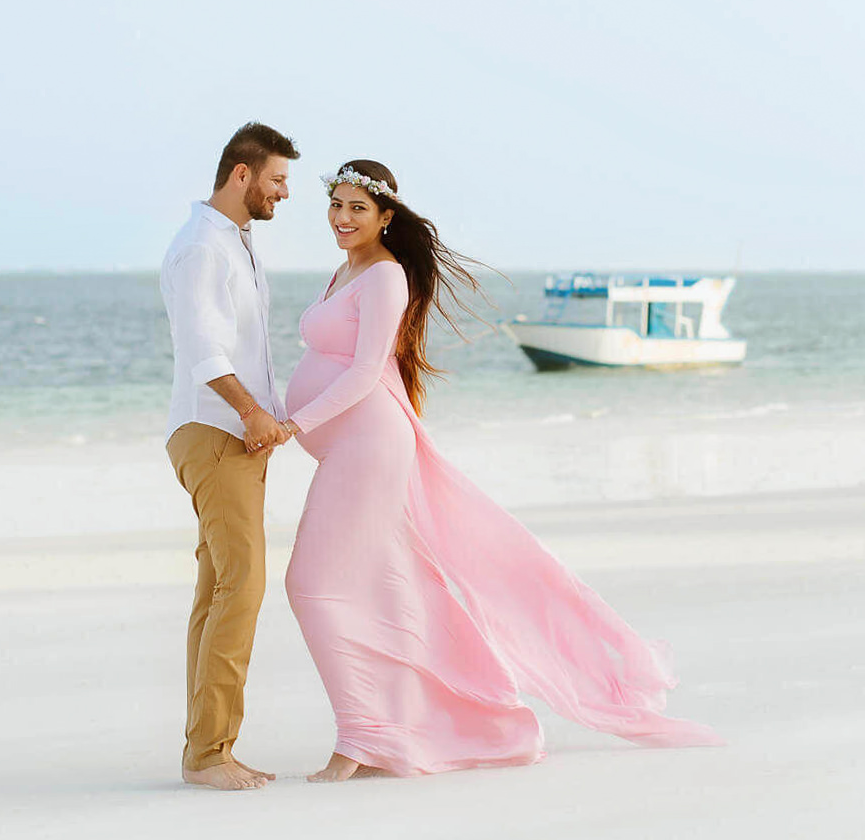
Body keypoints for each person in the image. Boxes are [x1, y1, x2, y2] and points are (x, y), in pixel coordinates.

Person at [281, 160, 723, 781]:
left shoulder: (384, 277)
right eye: (337, 205)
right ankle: (443, 726)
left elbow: (361, 373)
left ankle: (360, 737)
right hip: (349, 446)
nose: (343, 218)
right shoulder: (344, 272)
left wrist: (289, 426)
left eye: (358, 208)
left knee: (311, 585)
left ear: (386, 217)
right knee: (388, 590)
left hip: (369, 445)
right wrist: (262, 411)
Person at [161, 122, 299, 791]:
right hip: (215, 432)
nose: (286, 193)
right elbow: (203, 349)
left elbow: (246, 349)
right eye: (277, 180)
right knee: (240, 586)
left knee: (217, 588)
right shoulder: (200, 249)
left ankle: (205, 746)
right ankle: (209, 753)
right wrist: (251, 412)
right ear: (241, 175)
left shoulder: (236, 245)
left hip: (238, 435)